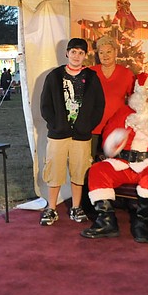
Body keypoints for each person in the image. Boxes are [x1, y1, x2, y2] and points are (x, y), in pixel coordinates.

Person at [81, 73, 148, 243]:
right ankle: (106, 221)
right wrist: (112, 144)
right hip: (124, 163)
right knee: (98, 170)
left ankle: (141, 222)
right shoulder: (124, 113)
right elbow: (108, 137)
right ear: (140, 97)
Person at [39, 38, 104, 226]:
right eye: (73, 52)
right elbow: (45, 105)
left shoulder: (92, 77)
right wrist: (56, 124)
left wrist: (87, 126)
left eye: (81, 53)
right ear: (67, 53)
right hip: (59, 134)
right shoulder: (54, 76)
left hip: (82, 135)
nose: (77, 56)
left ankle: (76, 207)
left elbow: (99, 106)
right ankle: (51, 208)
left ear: (86, 56)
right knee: (54, 170)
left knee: (79, 170)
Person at [89, 35, 136, 158]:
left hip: (115, 129)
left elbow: (134, 101)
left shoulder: (126, 74)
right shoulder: (90, 72)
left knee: (113, 166)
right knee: (91, 165)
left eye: (109, 51)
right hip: (93, 128)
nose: (105, 55)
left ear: (115, 52)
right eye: (101, 52)